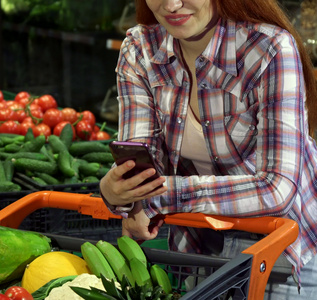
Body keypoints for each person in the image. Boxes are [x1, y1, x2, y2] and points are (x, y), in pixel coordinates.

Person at [99, 0, 317, 298]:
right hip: (198, 242)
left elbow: (276, 189)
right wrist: (117, 193)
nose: (172, 5)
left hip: (285, 247)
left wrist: (156, 199)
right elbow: (140, 163)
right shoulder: (140, 48)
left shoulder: (268, 49)